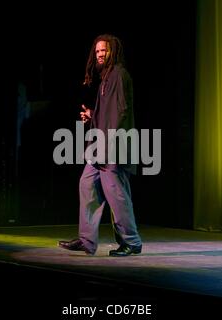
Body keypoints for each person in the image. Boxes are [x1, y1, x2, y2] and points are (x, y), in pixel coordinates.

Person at [58, 34, 142, 257]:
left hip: (112, 147)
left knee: (117, 195)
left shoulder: (120, 75)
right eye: (97, 52)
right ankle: (87, 240)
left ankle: (131, 242)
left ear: (113, 51)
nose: (100, 54)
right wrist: (92, 115)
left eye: (103, 50)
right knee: (87, 185)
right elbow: (109, 114)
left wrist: (112, 143)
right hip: (100, 146)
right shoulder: (106, 78)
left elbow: (123, 112)